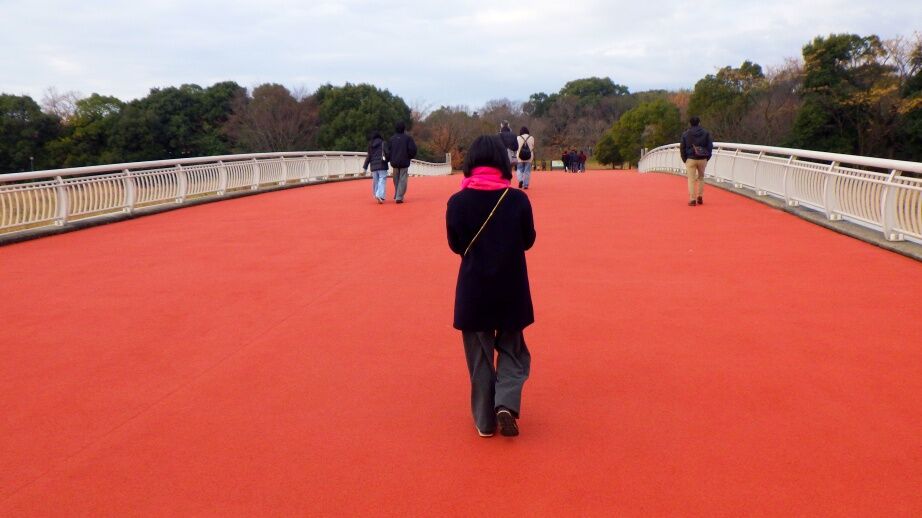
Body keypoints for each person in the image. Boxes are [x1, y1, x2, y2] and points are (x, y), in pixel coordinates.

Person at [446, 135, 536, 438]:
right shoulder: (517, 200)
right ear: (502, 162)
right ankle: (506, 403)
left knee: (479, 357)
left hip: (474, 290)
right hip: (511, 288)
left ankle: (485, 421)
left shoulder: (457, 202)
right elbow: (528, 240)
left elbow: (455, 244)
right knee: (513, 350)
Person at [680, 116, 713, 206]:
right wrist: (707, 157)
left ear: (690, 123)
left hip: (690, 159)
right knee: (701, 178)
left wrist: (685, 159)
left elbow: (682, 148)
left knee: (691, 179)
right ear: (699, 123)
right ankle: (700, 196)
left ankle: (692, 199)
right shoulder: (706, 133)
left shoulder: (686, 134)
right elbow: (710, 146)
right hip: (702, 158)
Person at [387, 121, 418, 204]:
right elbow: (413, 149)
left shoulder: (392, 139)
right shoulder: (408, 138)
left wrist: (389, 158)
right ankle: (399, 196)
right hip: (404, 161)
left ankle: (398, 194)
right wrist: (409, 156)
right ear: (404, 128)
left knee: (396, 179)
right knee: (403, 179)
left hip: (394, 162)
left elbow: (388, 151)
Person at [362, 131, 388, 203]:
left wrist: (365, 167)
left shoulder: (370, 145)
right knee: (382, 180)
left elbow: (368, 157)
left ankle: (378, 195)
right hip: (382, 165)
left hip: (373, 167)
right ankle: (379, 195)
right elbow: (387, 153)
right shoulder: (383, 143)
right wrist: (388, 160)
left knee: (376, 181)